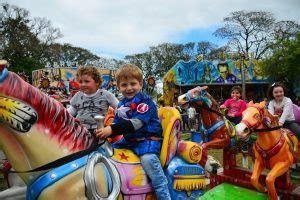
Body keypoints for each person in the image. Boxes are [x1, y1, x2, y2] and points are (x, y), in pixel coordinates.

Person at [95, 64, 171, 199]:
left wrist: (111, 129)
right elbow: (117, 123)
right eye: (124, 85)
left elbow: (136, 123)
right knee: (107, 152)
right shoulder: (121, 104)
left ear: (140, 84)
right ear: (118, 86)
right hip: (129, 141)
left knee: (150, 163)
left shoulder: (146, 103)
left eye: (133, 84)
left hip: (147, 141)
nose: (129, 88)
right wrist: (106, 132)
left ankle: (164, 196)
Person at [67, 66, 119, 134]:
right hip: (79, 129)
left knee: (102, 144)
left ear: (97, 82)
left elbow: (118, 107)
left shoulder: (105, 94)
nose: (83, 84)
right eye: (80, 82)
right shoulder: (78, 95)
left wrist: (116, 123)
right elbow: (72, 110)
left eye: (86, 81)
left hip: (99, 130)